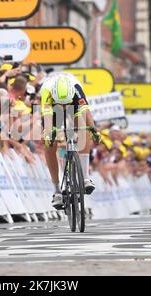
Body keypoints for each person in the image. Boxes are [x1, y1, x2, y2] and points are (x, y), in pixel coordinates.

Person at [40, 72, 100, 209]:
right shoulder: (47, 91)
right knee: (49, 143)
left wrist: (94, 130)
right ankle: (56, 191)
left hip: (75, 107)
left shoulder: (76, 89)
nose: (64, 107)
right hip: (53, 109)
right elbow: (47, 118)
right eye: (63, 104)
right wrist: (49, 134)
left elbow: (86, 113)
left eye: (66, 104)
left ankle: (85, 177)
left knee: (85, 130)